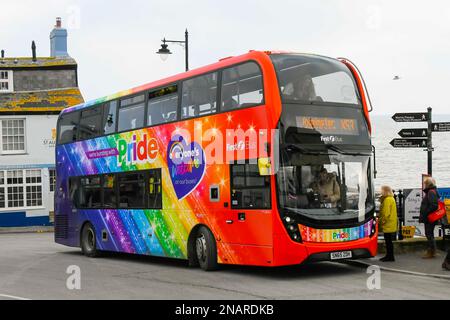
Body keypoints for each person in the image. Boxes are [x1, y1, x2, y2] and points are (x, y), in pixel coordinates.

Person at [419, 177, 439, 259]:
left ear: (428, 184)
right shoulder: (432, 191)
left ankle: (431, 252)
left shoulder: (430, 192)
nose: (424, 185)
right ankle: (432, 251)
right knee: (430, 234)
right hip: (430, 217)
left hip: (429, 218)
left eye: (425, 183)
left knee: (429, 234)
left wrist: (426, 213)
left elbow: (434, 205)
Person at [379, 186, 398, 262]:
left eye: (381, 191)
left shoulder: (387, 200)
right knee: (389, 241)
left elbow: (386, 214)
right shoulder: (392, 198)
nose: (380, 192)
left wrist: (381, 223)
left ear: (385, 191)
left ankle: (389, 256)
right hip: (392, 223)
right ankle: (390, 256)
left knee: (388, 242)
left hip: (388, 224)